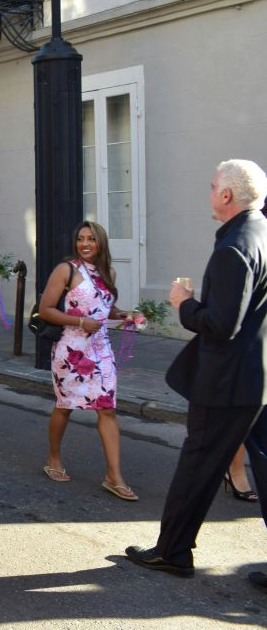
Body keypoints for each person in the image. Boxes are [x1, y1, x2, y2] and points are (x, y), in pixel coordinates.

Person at [127, 159, 267, 580]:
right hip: (257, 378)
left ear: (226, 195)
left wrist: (183, 301)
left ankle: (172, 551)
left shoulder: (234, 247)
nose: (209, 194)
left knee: (198, 467)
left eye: (211, 187)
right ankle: (173, 549)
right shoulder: (260, 232)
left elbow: (221, 325)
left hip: (227, 381)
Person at [39, 221, 139, 499]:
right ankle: (54, 458)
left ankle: (114, 476)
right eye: (81, 239)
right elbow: (45, 309)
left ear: (101, 243)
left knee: (107, 408)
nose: (85, 243)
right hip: (71, 351)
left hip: (101, 349)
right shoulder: (66, 270)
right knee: (65, 405)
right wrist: (80, 321)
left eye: (91, 239)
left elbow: (103, 306)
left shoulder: (108, 272)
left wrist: (122, 314)